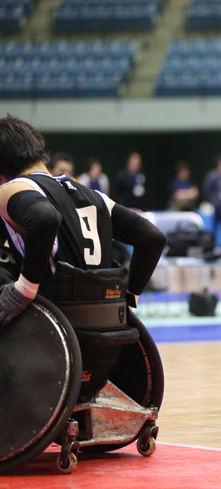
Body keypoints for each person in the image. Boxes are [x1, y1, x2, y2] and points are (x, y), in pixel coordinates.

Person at [0, 114, 166, 330]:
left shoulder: (13, 188)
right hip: (109, 328)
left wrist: (24, 290)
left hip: (54, 329)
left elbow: (45, 218)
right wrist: (129, 299)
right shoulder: (93, 194)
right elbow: (153, 237)